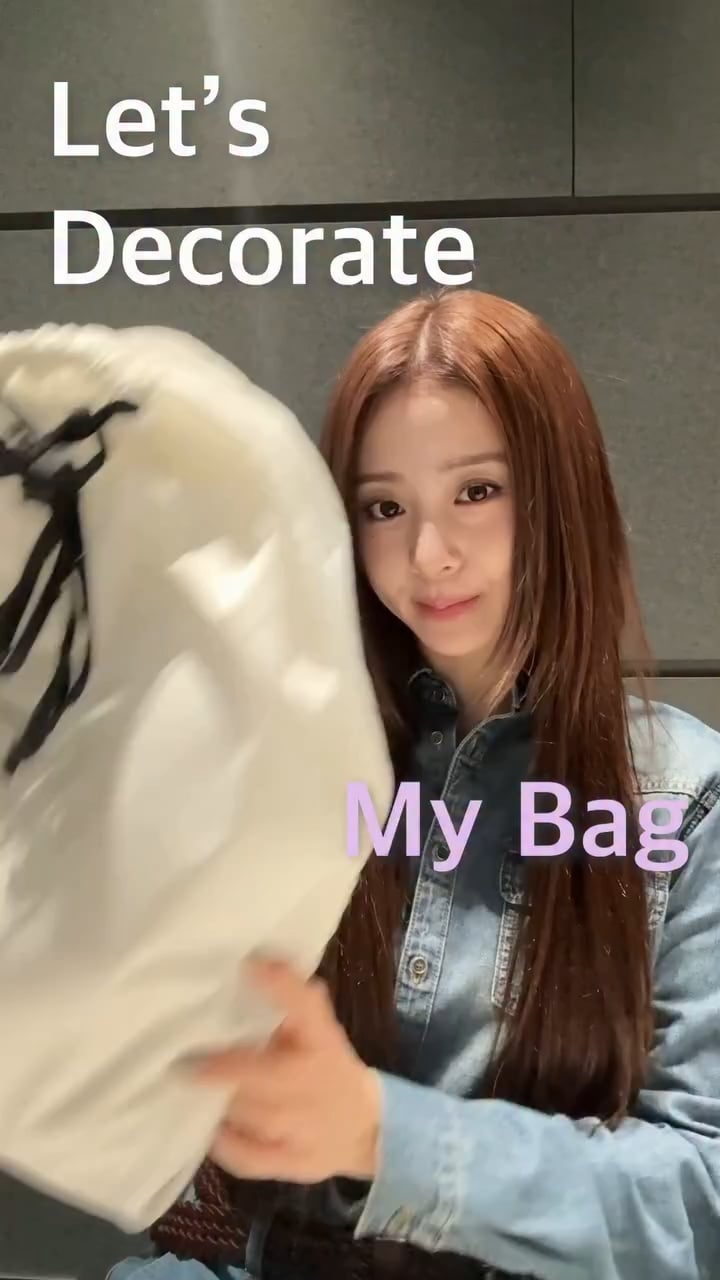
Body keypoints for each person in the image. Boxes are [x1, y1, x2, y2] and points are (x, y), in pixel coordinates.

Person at [109, 289, 720, 1280]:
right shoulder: (284, 771)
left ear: (561, 492)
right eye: (385, 507)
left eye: (477, 490)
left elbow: (698, 1198)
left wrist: (385, 1135)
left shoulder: (684, 802)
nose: (429, 554)